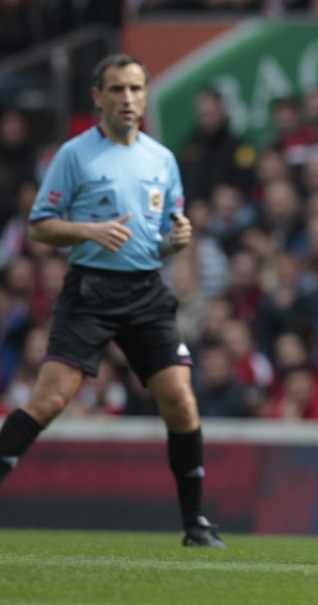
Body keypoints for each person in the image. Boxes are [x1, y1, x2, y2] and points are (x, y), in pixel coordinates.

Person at [0, 54, 225, 547]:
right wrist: (87, 230)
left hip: (146, 291)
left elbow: (161, 235)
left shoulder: (162, 159)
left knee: (182, 403)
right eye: (118, 89)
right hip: (91, 289)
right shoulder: (75, 156)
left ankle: (195, 525)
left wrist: (177, 240)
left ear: (145, 95)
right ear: (97, 97)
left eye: (136, 89)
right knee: (50, 399)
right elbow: (40, 225)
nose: (128, 99)